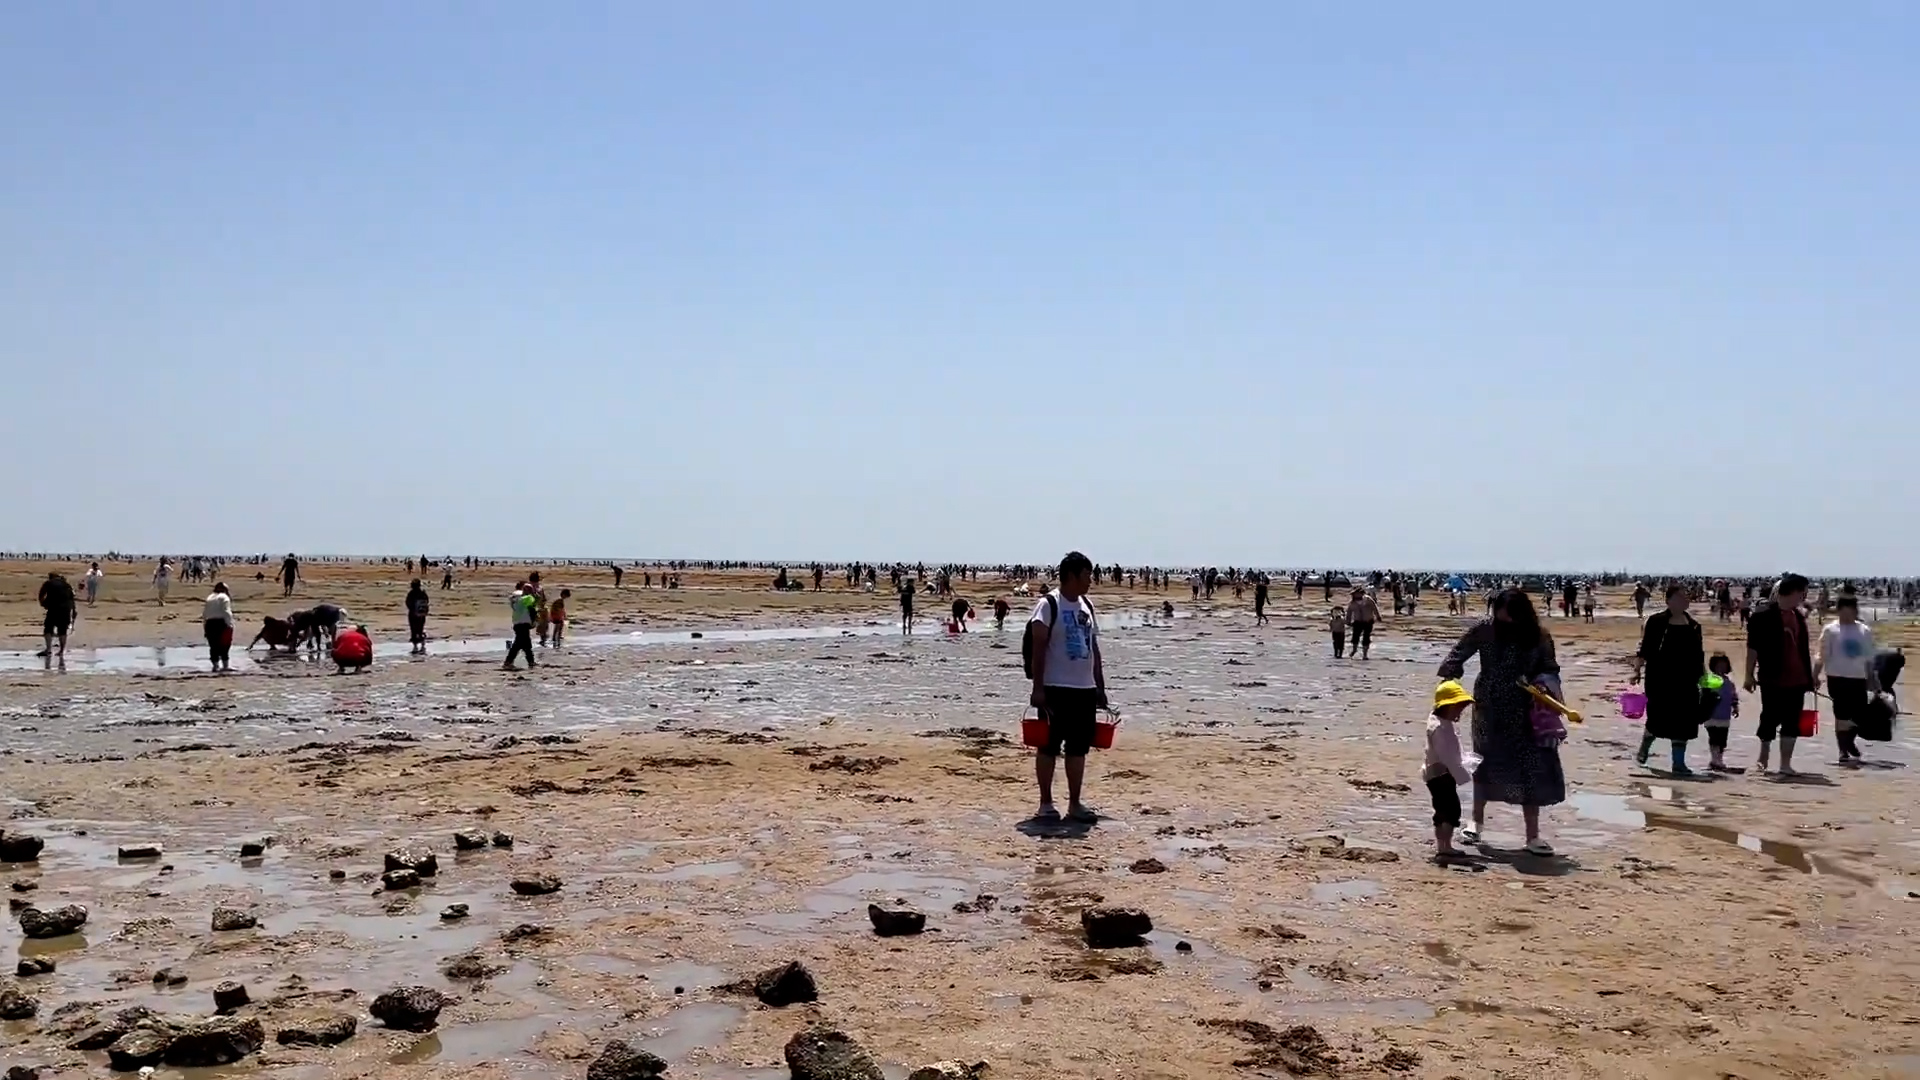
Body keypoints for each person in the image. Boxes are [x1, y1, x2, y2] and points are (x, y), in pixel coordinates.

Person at [1438, 588, 1565, 856]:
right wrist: (1449, 682)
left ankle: (1532, 836)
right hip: (1489, 706)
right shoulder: (1485, 629)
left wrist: (1544, 684)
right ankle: (1476, 823)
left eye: (1509, 616)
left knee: (1531, 768)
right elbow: (1457, 654)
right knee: (1485, 763)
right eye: (1498, 615)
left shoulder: (1539, 636)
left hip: (1527, 709)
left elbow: (1550, 668)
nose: (1503, 621)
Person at [1027, 551, 1108, 824]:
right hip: (1055, 687)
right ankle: (1046, 804)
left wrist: (1099, 685)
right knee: (1048, 747)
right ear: (1072, 575)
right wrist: (1038, 688)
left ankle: (1074, 803)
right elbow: (1038, 648)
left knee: (1078, 748)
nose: (1090, 581)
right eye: (1087, 575)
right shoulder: (1049, 604)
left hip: (1083, 689)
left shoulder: (1087, 605)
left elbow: (1093, 647)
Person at [1630, 584, 1706, 776]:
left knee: (1685, 721)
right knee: (1657, 719)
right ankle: (1644, 748)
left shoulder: (1694, 625)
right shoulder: (1656, 622)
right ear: (1669, 600)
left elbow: (1699, 655)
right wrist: (1636, 670)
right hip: (1660, 680)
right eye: (1680, 597)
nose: (1685, 600)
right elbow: (1645, 650)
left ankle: (1678, 763)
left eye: (1686, 597)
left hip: (1687, 681)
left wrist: (1704, 677)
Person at [1745, 574, 1813, 776]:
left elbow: (1803, 649)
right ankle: (1763, 757)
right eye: (1803, 591)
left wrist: (1810, 677)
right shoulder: (1763, 615)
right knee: (1769, 717)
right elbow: (1752, 648)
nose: (1804, 596)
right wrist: (1748, 675)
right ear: (1794, 591)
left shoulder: (1798, 616)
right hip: (1772, 676)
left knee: (1793, 721)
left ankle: (1785, 763)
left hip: (1798, 678)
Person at [1815, 594, 1877, 766]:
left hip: (1858, 677)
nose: (1848, 614)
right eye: (1845, 611)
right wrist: (1815, 675)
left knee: (1859, 715)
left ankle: (1849, 742)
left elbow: (1869, 657)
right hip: (1837, 677)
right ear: (1839, 610)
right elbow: (1822, 654)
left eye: (1852, 610)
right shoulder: (1830, 630)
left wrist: (1872, 678)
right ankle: (1843, 750)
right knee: (1841, 715)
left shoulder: (1864, 630)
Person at [1425, 680, 1478, 861]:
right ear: (1446, 706)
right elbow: (1447, 755)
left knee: (1442, 809)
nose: (1459, 711)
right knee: (1450, 810)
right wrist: (1462, 773)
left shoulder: (1438, 721)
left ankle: (1443, 846)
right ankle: (1445, 847)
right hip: (1441, 774)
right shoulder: (1440, 727)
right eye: (1457, 707)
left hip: (1436, 772)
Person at [1704, 652, 1739, 772]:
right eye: (1719, 666)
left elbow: (1733, 697)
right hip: (1711, 715)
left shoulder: (1730, 683)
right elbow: (1703, 696)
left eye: (1723, 666)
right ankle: (1714, 759)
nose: (1721, 668)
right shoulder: (1709, 680)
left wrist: (1735, 707)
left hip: (1724, 716)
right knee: (1713, 738)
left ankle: (1719, 759)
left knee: (1722, 740)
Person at [37, 571, 76, 662]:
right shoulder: (67, 584)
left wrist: (43, 603)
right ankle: (61, 651)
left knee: (48, 628)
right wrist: (74, 611)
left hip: (53, 608)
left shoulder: (48, 583)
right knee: (62, 630)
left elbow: (41, 595)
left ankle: (48, 649)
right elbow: (72, 598)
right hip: (66, 609)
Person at [202, 582, 235, 672]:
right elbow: (226, 612)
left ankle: (215, 666)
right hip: (221, 623)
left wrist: (205, 627)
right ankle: (225, 666)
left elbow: (204, 614)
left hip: (209, 623)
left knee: (213, 646)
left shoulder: (209, 597)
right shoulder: (224, 598)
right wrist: (230, 624)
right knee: (224, 645)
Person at [505, 583, 538, 670]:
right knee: (518, 644)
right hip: (524, 623)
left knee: (526, 644)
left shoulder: (516, 599)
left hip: (517, 622)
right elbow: (532, 610)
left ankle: (531, 662)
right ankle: (508, 662)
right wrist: (534, 621)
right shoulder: (528, 598)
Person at [1346, 587, 1381, 660]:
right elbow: (1349, 612)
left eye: (1356, 594)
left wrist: (1378, 616)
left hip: (1368, 621)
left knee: (1366, 638)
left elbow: (1374, 608)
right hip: (1357, 621)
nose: (1355, 595)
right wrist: (1348, 621)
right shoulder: (1352, 602)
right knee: (1355, 637)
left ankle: (1365, 654)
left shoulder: (1368, 599)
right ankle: (1354, 650)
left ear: (1361, 593)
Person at [405, 578, 430, 654]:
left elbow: (407, 602)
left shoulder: (411, 593)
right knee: (420, 627)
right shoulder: (422, 593)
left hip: (413, 613)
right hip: (421, 613)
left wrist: (411, 608)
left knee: (413, 628)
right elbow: (427, 601)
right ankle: (421, 641)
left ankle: (415, 644)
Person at [530, 572, 551, 647]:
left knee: (541, 624)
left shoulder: (530, 587)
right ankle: (543, 639)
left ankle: (543, 640)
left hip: (536, 607)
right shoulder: (538, 587)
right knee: (543, 624)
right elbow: (543, 598)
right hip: (536, 607)